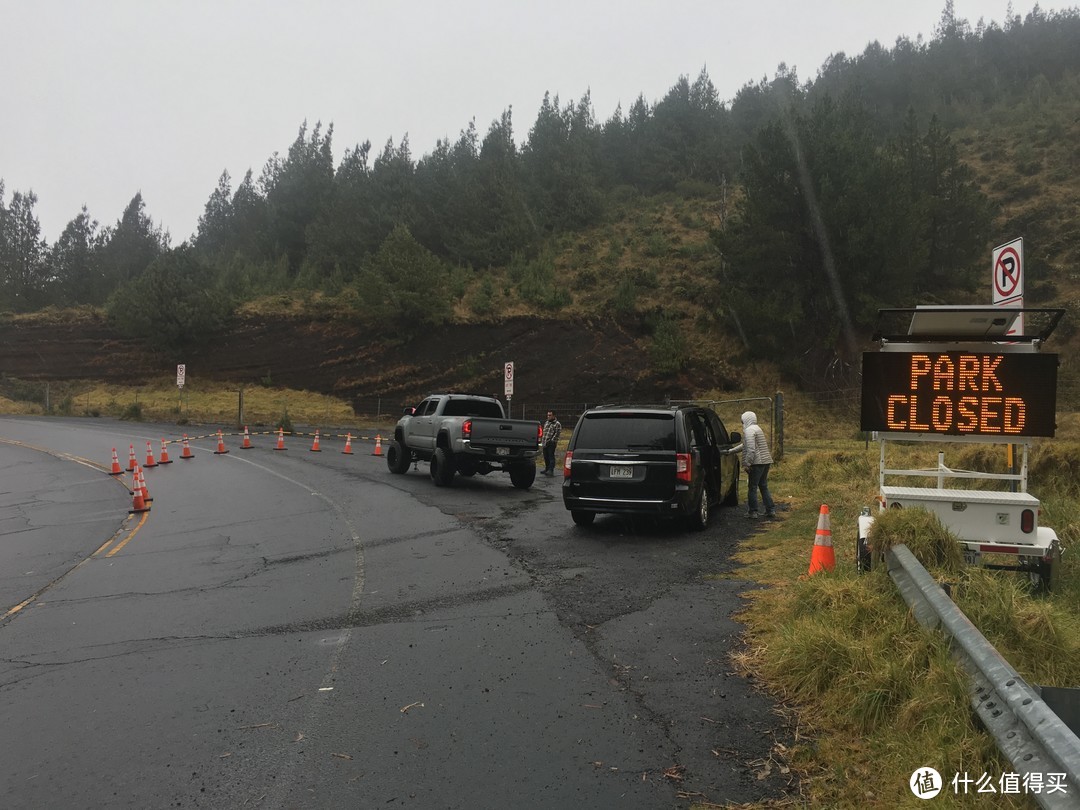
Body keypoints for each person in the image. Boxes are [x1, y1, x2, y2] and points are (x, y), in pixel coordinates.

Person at [741, 410, 776, 519]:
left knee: (752, 487)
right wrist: (731, 450)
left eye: (742, 421)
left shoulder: (749, 431)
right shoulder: (757, 428)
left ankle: (753, 511)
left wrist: (747, 463)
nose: (742, 423)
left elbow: (751, 449)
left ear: (746, 420)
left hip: (757, 463)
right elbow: (745, 445)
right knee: (763, 486)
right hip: (766, 461)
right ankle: (770, 510)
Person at [541, 410, 562, 476]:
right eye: (548, 415)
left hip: (551, 443)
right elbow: (544, 432)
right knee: (545, 456)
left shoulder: (557, 424)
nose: (548, 416)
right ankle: (547, 468)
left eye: (550, 415)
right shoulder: (546, 422)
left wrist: (552, 440)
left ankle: (551, 470)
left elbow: (557, 433)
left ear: (554, 416)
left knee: (551, 456)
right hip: (545, 442)